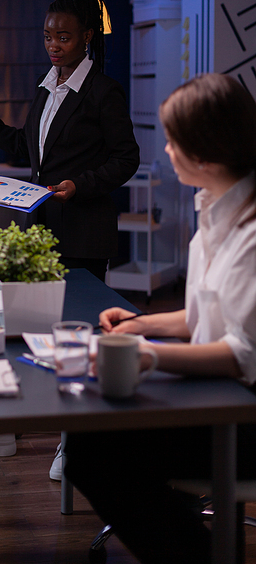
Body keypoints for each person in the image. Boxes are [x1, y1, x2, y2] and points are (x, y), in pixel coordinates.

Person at [64, 73, 256, 564]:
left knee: (95, 455)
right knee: (91, 443)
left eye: (174, 142)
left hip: (243, 415)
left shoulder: (250, 233)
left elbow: (241, 353)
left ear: (206, 156)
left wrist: (149, 354)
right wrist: (144, 325)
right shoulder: (214, 211)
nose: (166, 151)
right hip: (214, 398)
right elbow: (205, 317)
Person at [0, 0, 140, 464]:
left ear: (87, 38)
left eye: (65, 36)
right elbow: (25, 148)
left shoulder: (103, 91)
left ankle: (73, 445)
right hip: (40, 232)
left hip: (83, 231)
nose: (54, 44)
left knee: (73, 337)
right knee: (23, 331)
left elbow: (126, 158)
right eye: (49, 35)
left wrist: (82, 184)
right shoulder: (44, 84)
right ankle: (2, 431)